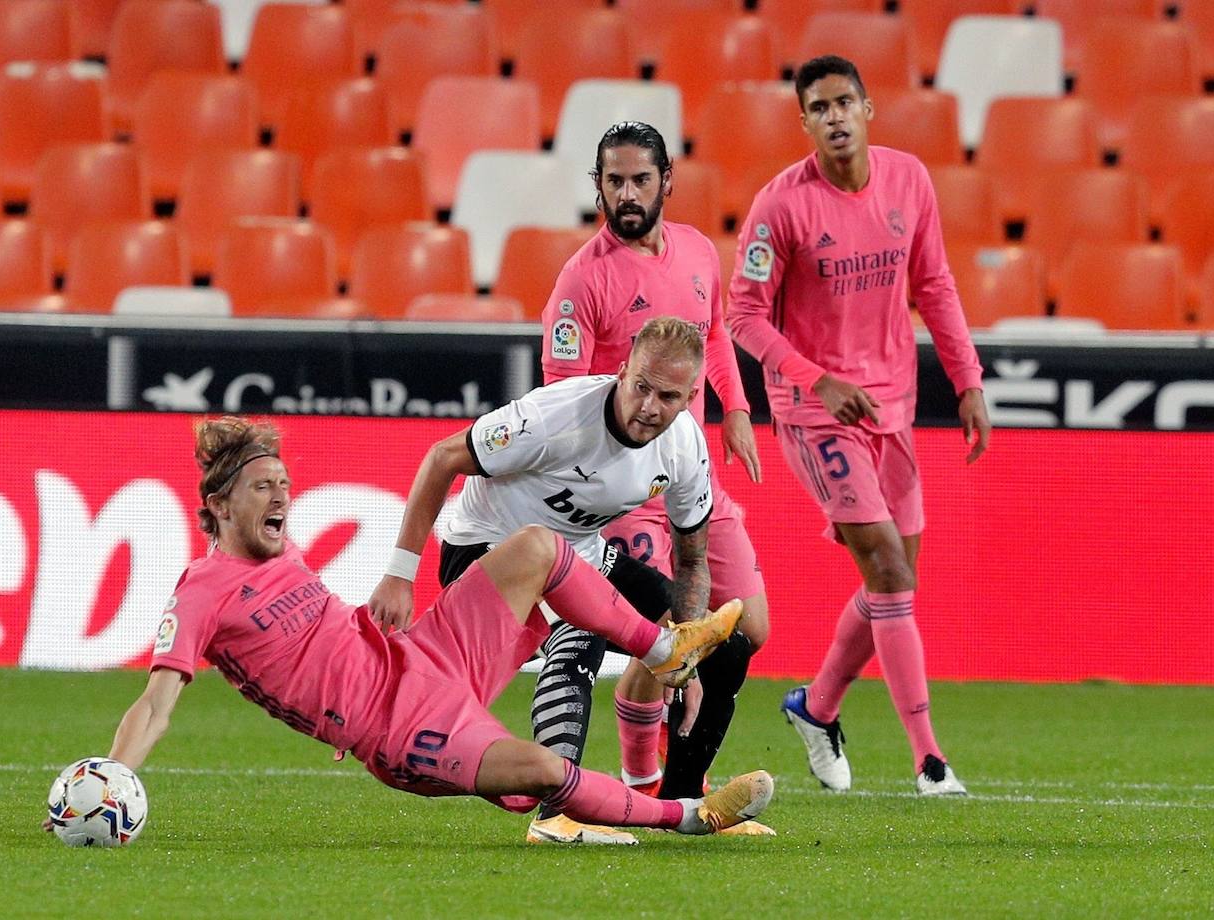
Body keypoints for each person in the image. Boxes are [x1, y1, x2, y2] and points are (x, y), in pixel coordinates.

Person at [45, 416, 771, 841]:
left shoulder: (280, 546)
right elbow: (158, 699)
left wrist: (387, 594)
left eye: (284, 485)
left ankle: (663, 646)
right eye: (262, 487)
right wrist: (117, 773)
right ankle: (688, 816)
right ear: (219, 506)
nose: (282, 497)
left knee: (536, 549)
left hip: (422, 654)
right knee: (547, 772)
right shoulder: (202, 592)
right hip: (399, 734)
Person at [367, 317, 748, 843]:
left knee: (726, 650)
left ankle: (685, 801)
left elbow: (692, 562)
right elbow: (443, 457)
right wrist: (399, 573)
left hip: (581, 552)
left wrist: (689, 659)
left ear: (688, 398)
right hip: (488, 547)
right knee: (582, 631)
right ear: (622, 371)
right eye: (640, 386)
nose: (649, 407)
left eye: (668, 396)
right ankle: (556, 815)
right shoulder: (555, 416)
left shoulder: (684, 446)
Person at [726, 55, 992, 796]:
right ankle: (929, 759)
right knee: (888, 572)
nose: (835, 116)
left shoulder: (909, 180)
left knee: (893, 586)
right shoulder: (780, 206)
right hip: (815, 412)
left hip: (893, 408)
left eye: (846, 102)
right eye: (820, 106)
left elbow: (934, 283)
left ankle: (816, 708)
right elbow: (740, 314)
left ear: (868, 109)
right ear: (804, 122)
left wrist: (968, 382)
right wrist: (819, 379)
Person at [537, 122, 770, 824]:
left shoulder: (699, 251)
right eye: (614, 181)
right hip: (628, 491)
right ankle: (656, 789)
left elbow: (716, 329)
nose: (627, 194)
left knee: (746, 628)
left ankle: (665, 777)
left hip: (692, 475)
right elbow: (560, 401)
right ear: (598, 186)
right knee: (672, 626)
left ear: (668, 180)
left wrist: (733, 404)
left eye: (641, 180)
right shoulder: (583, 278)